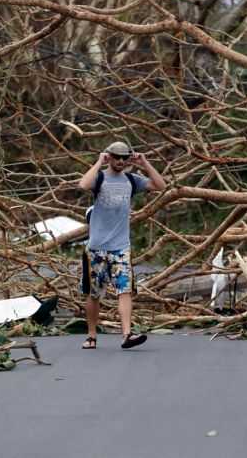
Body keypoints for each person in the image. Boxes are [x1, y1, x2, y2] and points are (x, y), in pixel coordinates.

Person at [77, 141, 167, 349]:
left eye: (124, 157)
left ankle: (127, 334)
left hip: (121, 248)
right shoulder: (100, 178)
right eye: (116, 157)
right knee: (93, 293)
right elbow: (83, 185)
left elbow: (161, 186)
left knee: (124, 290)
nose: (120, 161)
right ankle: (91, 335)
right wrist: (99, 161)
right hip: (96, 248)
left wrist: (145, 164)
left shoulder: (131, 180)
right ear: (109, 156)